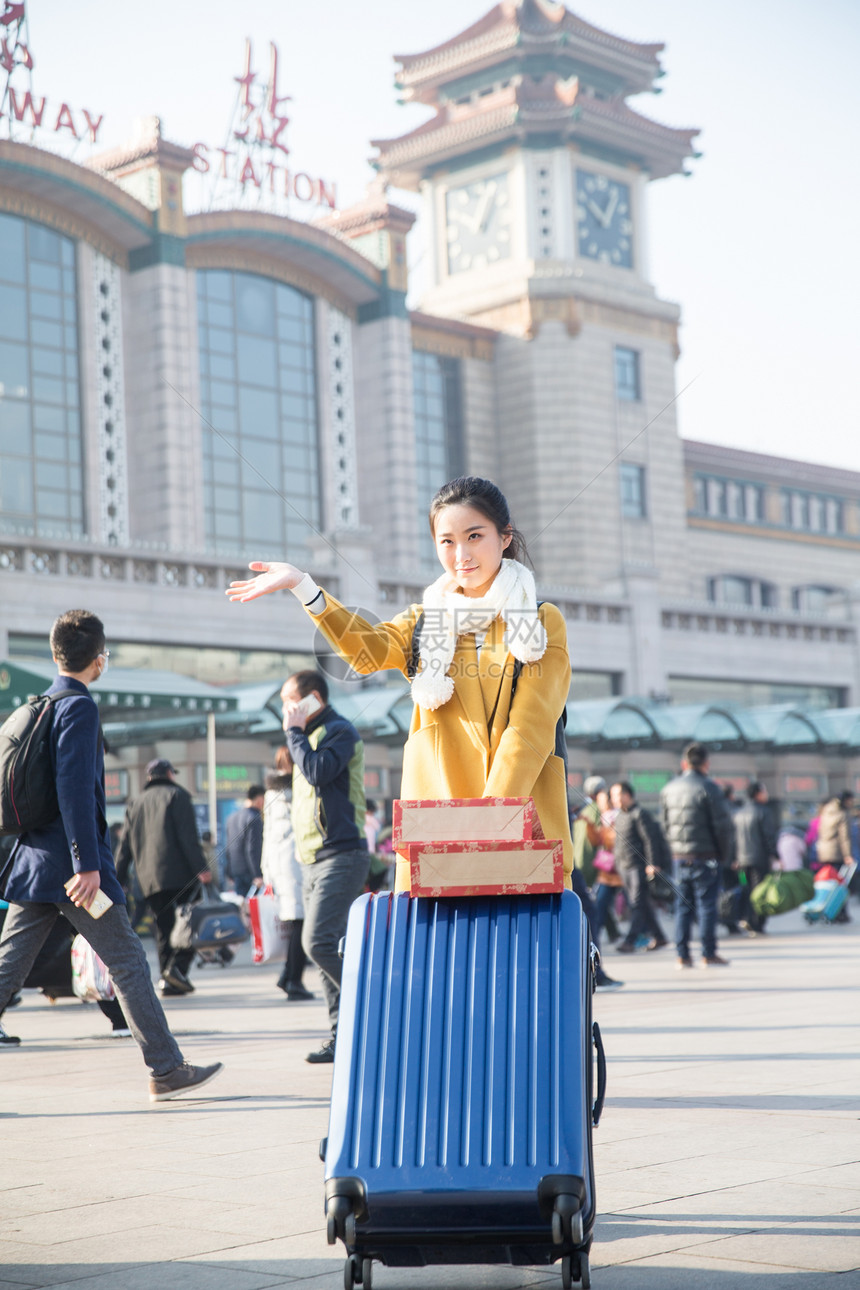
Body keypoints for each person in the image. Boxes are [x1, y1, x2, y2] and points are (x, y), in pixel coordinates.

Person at [226, 476, 617, 980]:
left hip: (518, 825)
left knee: (521, 983)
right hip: (438, 834)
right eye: (446, 541)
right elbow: (364, 650)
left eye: (474, 536)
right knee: (447, 983)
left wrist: (490, 824)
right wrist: (306, 587)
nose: (461, 555)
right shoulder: (425, 621)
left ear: (505, 536)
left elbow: (532, 727)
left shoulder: (541, 621)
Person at [0, 610, 222, 1100]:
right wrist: (87, 865)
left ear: (56, 654)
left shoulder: (44, 703)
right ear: (98, 660)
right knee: (126, 962)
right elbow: (75, 791)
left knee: (7, 969)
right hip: (72, 872)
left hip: (36, 863)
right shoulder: (78, 706)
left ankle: (166, 1067)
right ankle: (166, 1069)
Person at [279, 669, 369, 1062]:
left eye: (290, 702)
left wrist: (294, 733)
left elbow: (317, 771)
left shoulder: (339, 731)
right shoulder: (310, 737)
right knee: (327, 946)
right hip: (313, 859)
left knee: (315, 942)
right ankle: (342, 1036)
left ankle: (373, 1002)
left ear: (313, 698)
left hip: (342, 854)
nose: (286, 710)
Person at [116, 759, 212, 996]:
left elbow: (125, 846)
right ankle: (177, 969)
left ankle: (168, 980)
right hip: (180, 877)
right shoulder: (177, 796)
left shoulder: (135, 803)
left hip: (148, 881)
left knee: (164, 928)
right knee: (192, 923)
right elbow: (188, 838)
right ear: (169, 774)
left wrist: (117, 878)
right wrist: (203, 868)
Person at [660, 741, 734, 969]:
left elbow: (664, 825)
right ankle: (708, 953)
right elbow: (722, 827)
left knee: (682, 906)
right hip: (706, 857)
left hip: (679, 857)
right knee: (707, 906)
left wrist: (673, 849)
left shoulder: (668, 789)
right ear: (706, 764)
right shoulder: (710, 788)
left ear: (684, 763)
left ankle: (682, 955)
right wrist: (724, 855)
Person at [261, 748, 314, 1001]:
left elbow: (266, 834)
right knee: (301, 923)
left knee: (297, 922)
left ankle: (288, 976)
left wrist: (266, 870)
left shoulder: (271, 793)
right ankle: (293, 980)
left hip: (278, 865)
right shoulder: (299, 790)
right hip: (296, 863)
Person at [609, 781, 668, 953]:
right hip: (623, 866)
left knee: (637, 903)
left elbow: (650, 840)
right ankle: (660, 937)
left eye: (617, 795)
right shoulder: (619, 816)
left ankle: (630, 940)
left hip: (638, 866)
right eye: (612, 796)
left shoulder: (640, 814)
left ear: (627, 795)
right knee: (642, 904)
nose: (614, 799)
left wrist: (652, 863)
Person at [733, 780, 778, 934]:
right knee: (760, 890)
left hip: (742, 862)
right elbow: (769, 836)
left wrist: (735, 858)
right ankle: (757, 922)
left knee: (746, 888)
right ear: (758, 794)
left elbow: (733, 838)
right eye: (764, 791)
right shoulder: (763, 812)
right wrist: (775, 855)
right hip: (759, 860)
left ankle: (746, 918)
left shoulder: (738, 812)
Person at [224, 786, 265, 895]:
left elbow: (228, 847)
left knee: (242, 908)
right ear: (260, 799)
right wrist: (257, 874)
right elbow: (252, 848)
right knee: (254, 909)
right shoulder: (254, 818)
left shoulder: (231, 818)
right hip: (250, 873)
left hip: (236, 871)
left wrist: (229, 872)